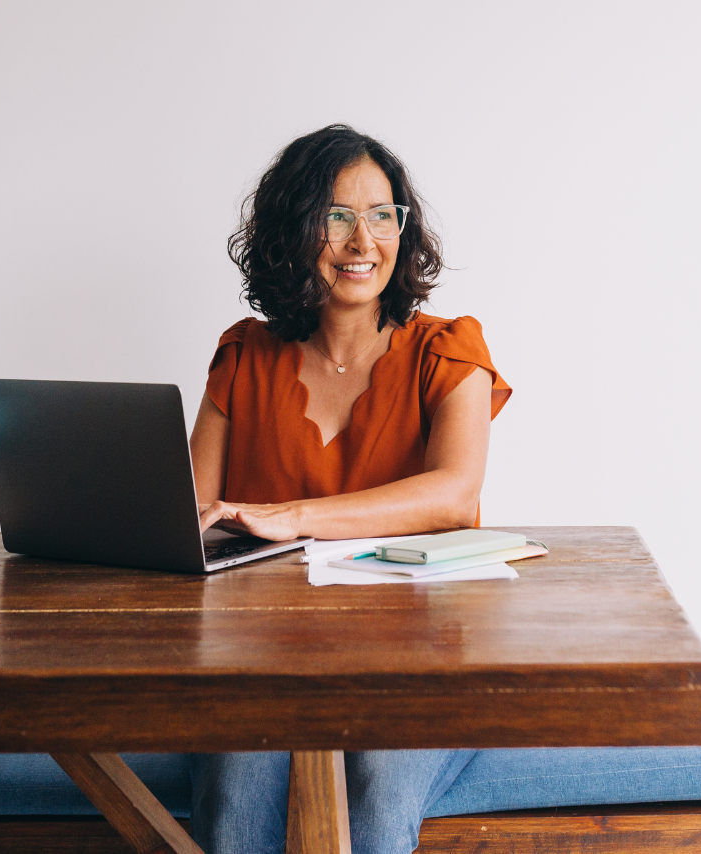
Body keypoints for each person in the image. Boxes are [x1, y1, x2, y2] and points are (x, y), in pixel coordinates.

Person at [185, 124, 512, 853]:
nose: (362, 241)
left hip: (422, 667)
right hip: (265, 666)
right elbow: (188, 521)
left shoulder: (450, 350)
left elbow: (454, 494)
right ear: (293, 233)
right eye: (336, 217)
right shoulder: (243, 357)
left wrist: (291, 517)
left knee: (377, 791)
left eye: (381, 216)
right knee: (237, 799)